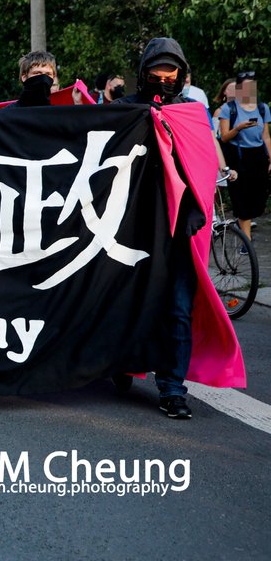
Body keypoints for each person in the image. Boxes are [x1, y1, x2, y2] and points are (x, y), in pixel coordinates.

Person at [114, 37, 209, 419]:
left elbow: (201, 165)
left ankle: (172, 389)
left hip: (179, 229)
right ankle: (120, 361)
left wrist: (196, 209)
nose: (164, 80)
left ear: (181, 76)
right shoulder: (123, 110)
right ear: (144, 74)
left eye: (171, 74)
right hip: (131, 226)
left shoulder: (192, 114)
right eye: (157, 73)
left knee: (178, 309)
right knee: (125, 300)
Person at [218, 70, 271, 240]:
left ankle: (243, 228)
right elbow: (224, 137)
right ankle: (246, 241)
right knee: (242, 199)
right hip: (238, 156)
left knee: (258, 198)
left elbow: (266, 136)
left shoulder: (262, 108)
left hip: (258, 156)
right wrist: (238, 128)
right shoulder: (229, 108)